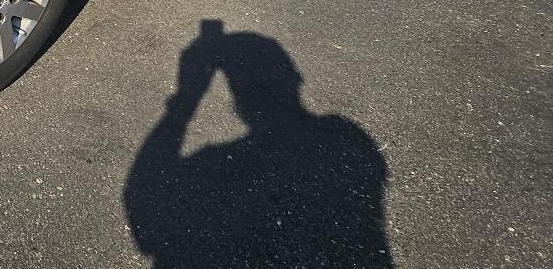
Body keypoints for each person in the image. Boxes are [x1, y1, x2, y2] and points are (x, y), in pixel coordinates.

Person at [125, 22, 394, 268]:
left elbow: (144, 197)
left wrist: (185, 101)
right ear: (294, 80)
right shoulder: (347, 138)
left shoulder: (209, 164)